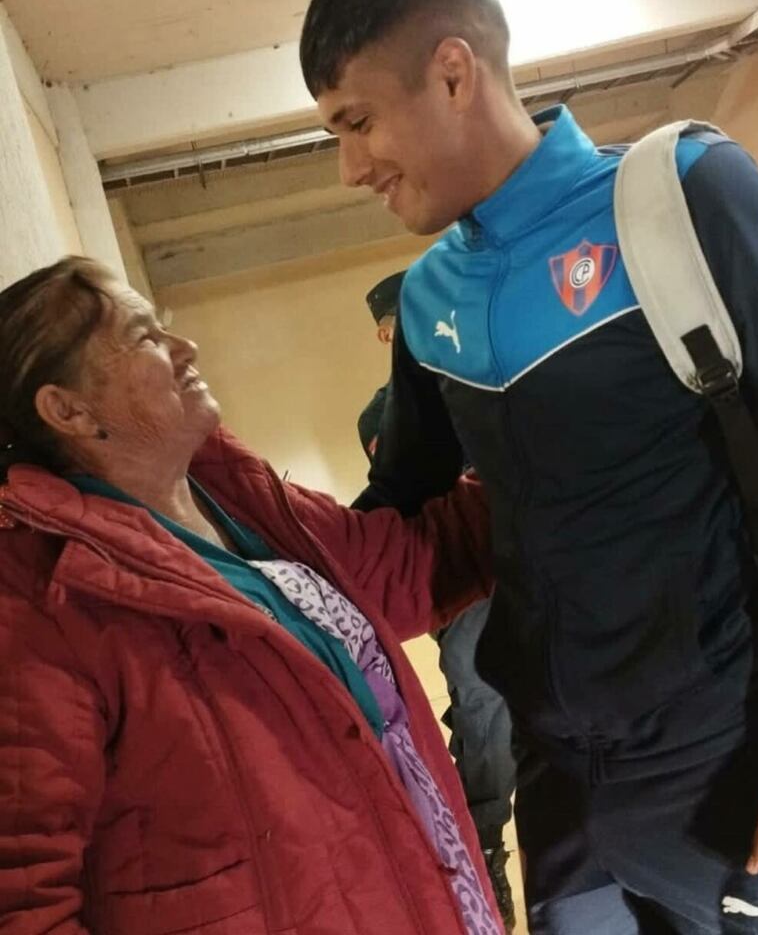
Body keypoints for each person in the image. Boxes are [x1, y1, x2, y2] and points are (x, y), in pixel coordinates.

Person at [300, 0, 758, 933]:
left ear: (453, 73)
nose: (350, 168)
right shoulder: (430, 297)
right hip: (560, 791)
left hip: (730, 768)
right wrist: (215, 535)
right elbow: (393, 517)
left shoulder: (683, 193)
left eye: (357, 122)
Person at [0, 256, 505, 935]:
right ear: (69, 410)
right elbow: (21, 898)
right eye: (145, 336)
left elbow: (405, 567)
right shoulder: (37, 601)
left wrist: (557, 454)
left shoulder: (235, 498)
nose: (185, 348)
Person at [359, 271, 517, 931]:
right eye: (406, 324)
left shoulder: (489, 369)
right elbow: (418, 491)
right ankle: (486, 841)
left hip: (526, 553)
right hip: (460, 576)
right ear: (386, 335)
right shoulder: (383, 415)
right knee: (482, 697)